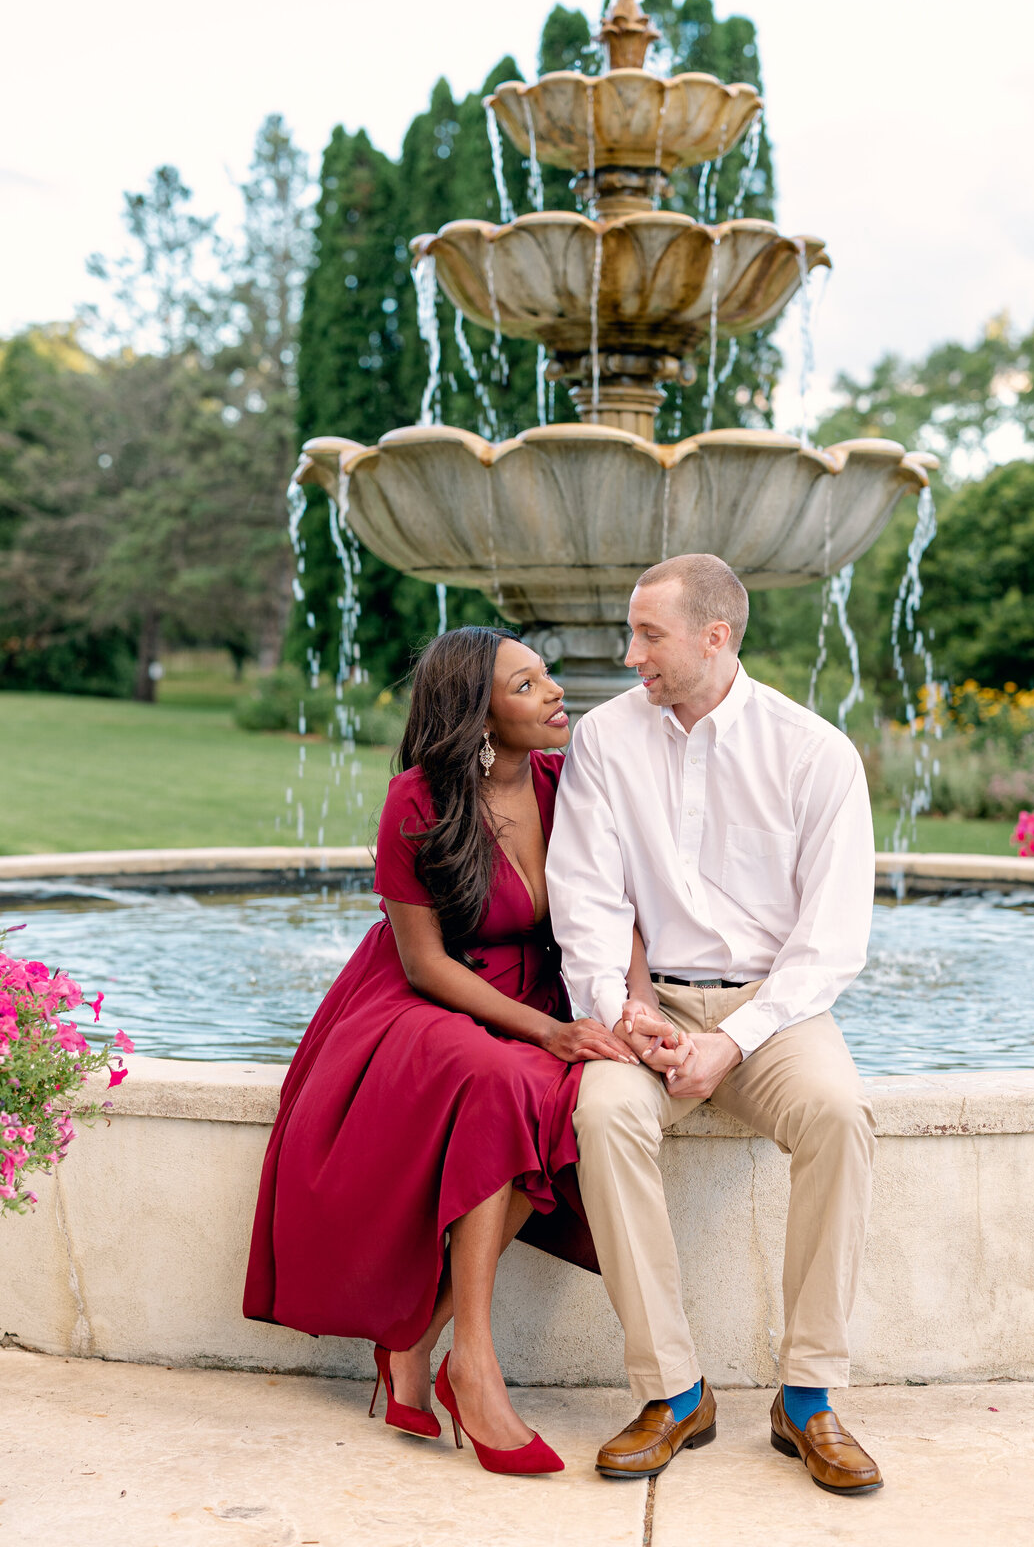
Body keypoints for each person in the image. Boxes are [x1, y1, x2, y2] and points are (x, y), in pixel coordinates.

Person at [244, 626, 638, 1477]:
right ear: (479, 712)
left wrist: (624, 1009)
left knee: (563, 1099)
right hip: (430, 996)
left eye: (546, 677)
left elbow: (621, 912)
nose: (556, 693)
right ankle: (478, 1366)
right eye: (529, 685)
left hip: (541, 995)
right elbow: (421, 961)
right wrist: (548, 1030)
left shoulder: (567, 782)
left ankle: (420, 1338)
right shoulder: (417, 798)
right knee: (504, 1079)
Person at [545, 554, 883, 1496]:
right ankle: (674, 1390)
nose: (630, 654)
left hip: (775, 1014)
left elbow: (829, 944)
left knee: (839, 1115)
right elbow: (586, 896)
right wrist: (622, 1009)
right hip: (647, 1008)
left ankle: (809, 1397)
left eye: (648, 635)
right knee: (604, 1115)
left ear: (715, 637)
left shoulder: (815, 753)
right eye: (630, 632)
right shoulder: (608, 740)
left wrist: (734, 1039)